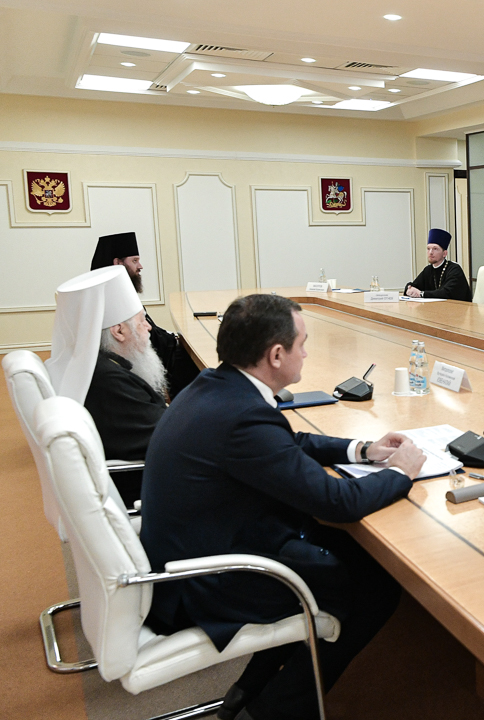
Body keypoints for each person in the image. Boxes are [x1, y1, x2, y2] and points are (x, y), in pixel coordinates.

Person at [140, 293, 426, 720]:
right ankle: (277, 709)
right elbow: (337, 502)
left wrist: (362, 449)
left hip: (193, 550)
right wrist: (402, 472)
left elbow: (285, 443)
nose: (306, 353)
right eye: (302, 344)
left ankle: (250, 689)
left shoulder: (216, 386)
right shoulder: (243, 416)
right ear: (276, 355)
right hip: (207, 581)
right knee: (375, 588)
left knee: (353, 560)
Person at [47, 265, 167, 505]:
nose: (148, 327)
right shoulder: (109, 382)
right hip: (147, 489)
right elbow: (167, 438)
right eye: (141, 321)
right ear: (119, 331)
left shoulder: (97, 367)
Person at [91, 231, 201, 398]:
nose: (140, 266)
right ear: (118, 263)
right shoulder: (111, 300)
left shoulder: (123, 292)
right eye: (135, 261)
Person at [404, 228, 472, 301]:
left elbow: (447, 293)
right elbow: (415, 285)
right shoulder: (428, 270)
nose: (430, 252)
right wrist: (409, 289)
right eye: (428, 249)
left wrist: (421, 294)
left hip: (456, 307)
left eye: (435, 249)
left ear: (444, 253)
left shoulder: (454, 269)